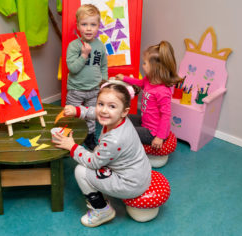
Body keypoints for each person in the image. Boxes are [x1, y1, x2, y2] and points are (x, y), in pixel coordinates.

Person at [52, 81, 151, 227]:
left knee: (81, 171)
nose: (104, 110)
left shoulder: (115, 139)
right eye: (101, 104)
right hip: (139, 172)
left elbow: (93, 162)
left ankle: (102, 210)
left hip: (131, 184)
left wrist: (72, 147)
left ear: (124, 111)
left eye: (112, 106)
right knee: (96, 151)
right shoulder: (120, 119)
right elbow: (95, 112)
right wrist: (77, 111)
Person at [115, 41, 182, 149]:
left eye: (145, 63)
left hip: (153, 132)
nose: (143, 65)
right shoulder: (149, 80)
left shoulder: (162, 92)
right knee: (122, 117)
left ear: (155, 68)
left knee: (125, 132)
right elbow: (140, 83)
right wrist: (124, 78)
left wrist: (159, 137)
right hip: (145, 121)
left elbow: (166, 115)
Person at [66, 4, 108, 150]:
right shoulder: (74, 46)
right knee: (71, 114)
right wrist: (84, 55)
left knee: (91, 115)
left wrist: (104, 82)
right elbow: (72, 68)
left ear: (98, 27)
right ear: (78, 26)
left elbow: (103, 66)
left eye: (93, 24)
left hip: (94, 89)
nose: (89, 28)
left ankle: (90, 137)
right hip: (76, 89)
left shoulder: (100, 45)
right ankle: (71, 137)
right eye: (84, 24)